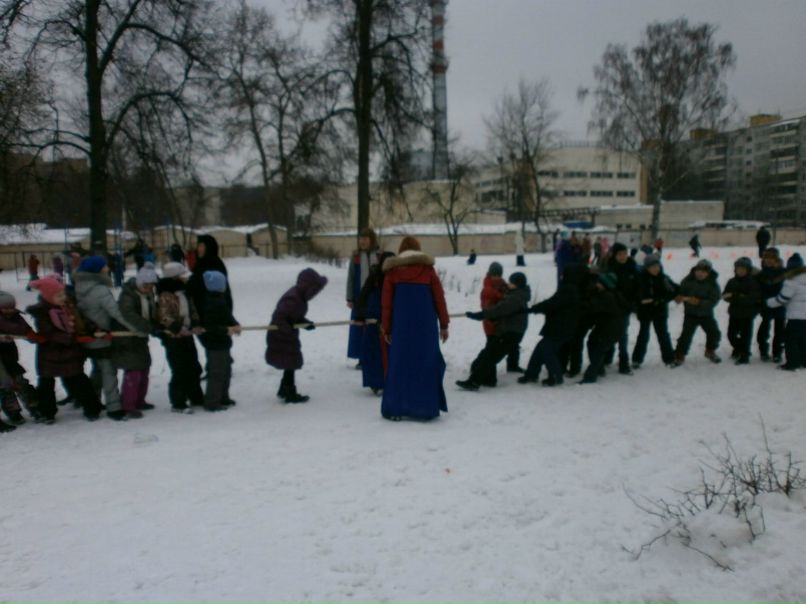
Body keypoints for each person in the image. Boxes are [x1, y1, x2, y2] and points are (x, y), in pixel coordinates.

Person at [380, 237, 449, 421]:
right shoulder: (428, 271)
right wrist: (444, 324)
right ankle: (425, 407)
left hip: (401, 327)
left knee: (399, 365)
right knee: (425, 364)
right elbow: (439, 299)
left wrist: (386, 328)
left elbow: (386, 305)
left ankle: (395, 408)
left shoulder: (392, 273)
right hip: (425, 327)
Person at [74, 255, 144, 421]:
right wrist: (137, 328)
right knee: (108, 371)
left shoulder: (79, 286)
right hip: (102, 336)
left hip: (88, 336)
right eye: (104, 266)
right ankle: (114, 407)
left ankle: (91, 402)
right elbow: (117, 313)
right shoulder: (99, 290)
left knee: (97, 370)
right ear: (97, 270)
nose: (108, 268)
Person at [27, 277, 103, 423]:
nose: (63, 297)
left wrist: (93, 329)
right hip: (50, 354)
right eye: (59, 295)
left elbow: (82, 320)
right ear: (48, 296)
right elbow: (48, 331)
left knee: (79, 380)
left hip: (71, 353)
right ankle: (47, 412)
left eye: (63, 294)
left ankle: (92, 408)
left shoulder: (69, 307)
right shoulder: (41, 312)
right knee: (46, 384)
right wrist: (72, 339)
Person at [457, 272, 530, 391]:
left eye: (511, 282)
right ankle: (487, 379)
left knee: (490, 356)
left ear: (517, 284)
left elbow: (499, 310)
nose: (508, 283)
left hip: (511, 333)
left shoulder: (515, 298)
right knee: (488, 353)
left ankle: (474, 382)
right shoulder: (517, 295)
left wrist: (480, 315)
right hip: (510, 331)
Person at [265, 268, 328, 403]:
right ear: (308, 286)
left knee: (290, 363)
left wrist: (305, 324)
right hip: (280, 336)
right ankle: (289, 392)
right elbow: (279, 317)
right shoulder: (294, 298)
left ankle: (284, 389)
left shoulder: (300, 296)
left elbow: (294, 317)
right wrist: (288, 331)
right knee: (290, 362)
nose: (315, 294)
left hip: (286, 335)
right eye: (314, 290)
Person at [519, 264, 584, 386]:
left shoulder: (568, 289)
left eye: (563, 274)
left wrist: (533, 309)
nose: (561, 276)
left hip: (560, 328)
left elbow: (551, 304)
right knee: (540, 349)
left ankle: (555, 376)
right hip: (561, 327)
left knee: (547, 350)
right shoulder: (572, 289)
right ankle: (531, 375)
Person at [155, 262, 205, 413]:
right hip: (173, 338)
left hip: (187, 335)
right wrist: (177, 328)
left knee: (194, 366)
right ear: (174, 277)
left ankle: (196, 396)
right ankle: (178, 402)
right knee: (180, 368)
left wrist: (195, 323)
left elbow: (192, 310)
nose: (185, 278)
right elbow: (164, 317)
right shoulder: (165, 295)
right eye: (182, 275)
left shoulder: (185, 292)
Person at [113, 263, 158, 418]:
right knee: (133, 371)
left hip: (140, 336)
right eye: (146, 285)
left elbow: (151, 312)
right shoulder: (127, 295)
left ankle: (139, 400)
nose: (149, 289)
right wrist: (149, 327)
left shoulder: (148, 295)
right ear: (139, 283)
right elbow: (129, 315)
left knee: (144, 367)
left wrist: (155, 324)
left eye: (151, 286)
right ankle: (128, 404)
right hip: (126, 337)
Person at [198, 271, 241, 411]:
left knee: (226, 370)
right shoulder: (210, 302)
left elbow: (227, 316)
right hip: (215, 343)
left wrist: (235, 324)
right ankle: (212, 402)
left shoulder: (220, 299)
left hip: (223, 342)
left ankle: (224, 397)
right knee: (217, 372)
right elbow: (210, 326)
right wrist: (225, 330)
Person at [355, 254, 394, 396]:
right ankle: (375, 382)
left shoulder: (396, 276)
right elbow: (363, 296)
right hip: (374, 320)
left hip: (389, 321)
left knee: (389, 353)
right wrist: (360, 315)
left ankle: (389, 380)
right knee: (373, 353)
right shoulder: (374, 277)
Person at [671, 259, 722, 367]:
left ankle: (710, 351)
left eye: (703, 272)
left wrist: (700, 302)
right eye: (698, 271)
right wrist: (678, 298)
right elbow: (680, 293)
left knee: (714, 333)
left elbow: (714, 300)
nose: (700, 273)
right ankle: (680, 355)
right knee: (686, 335)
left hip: (706, 314)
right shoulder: (687, 281)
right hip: (690, 314)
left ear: (708, 273)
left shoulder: (713, 284)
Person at [0, 291, 40, 425]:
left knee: (21, 381)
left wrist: (30, 334)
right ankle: (13, 412)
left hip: (10, 356)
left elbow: (24, 329)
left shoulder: (16, 316)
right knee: (6, 387)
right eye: (5, 308)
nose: (9, 311)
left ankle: (34, 406)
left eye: (11, 308)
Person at [631, 254, 678, 368]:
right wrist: (639, 302)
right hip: (645, 312)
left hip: (660, 311)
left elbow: (675, 290)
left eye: (657, 266)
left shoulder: (664, 278)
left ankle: (669, 358)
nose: (655, 269)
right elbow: (635, 295)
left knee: (663, 335)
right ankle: (637, 359)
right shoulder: (640, 278)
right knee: (643, 335)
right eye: (652, 267)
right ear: (646, 268)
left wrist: (662, 299)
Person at [580, 273, 628, 384]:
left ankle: (590, 377)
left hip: (610, 329)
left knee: (598, 350)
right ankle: (599, 369)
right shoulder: (612, 293)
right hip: (607, 327)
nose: (597, 284)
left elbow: (591, 306)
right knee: (591, 343)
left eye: (599, 283)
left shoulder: (606, 296)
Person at [345, 228, 381, 365]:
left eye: (366, 238)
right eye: (361, 238)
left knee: (373, 326)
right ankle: (361, 357)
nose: (363, 241)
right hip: (359, 297)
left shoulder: (379, 255)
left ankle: (373, 355)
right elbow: (351, 277)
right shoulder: (356, 256)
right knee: (359, 327)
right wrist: (349, 297)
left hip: (375, 297)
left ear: (372, 240)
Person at [606, 242, 640, 375]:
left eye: (625, 253)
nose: (623, 256)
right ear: (614, 255)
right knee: (609, 333)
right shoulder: (610, 268)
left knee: (623, 335)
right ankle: (607, 358)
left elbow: (638, 287)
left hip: (625, 307)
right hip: (612, 306)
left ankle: (623, 362)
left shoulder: (632, 267)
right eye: (619, 254)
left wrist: (633, 303)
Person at [768, 255, 806, 370]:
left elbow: (782, 299)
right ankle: (803, 361)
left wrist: (768, 302)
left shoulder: (792, 281)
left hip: (796, 317)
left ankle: (792, 363)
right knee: (803, 339)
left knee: (791, 340)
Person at [722, 257, 761, 365]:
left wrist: (737, 297)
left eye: (743, 269)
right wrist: (730, 297)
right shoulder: (731, 281)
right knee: (731, 335)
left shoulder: (753, 282)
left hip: (747, 314)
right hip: (734, 313)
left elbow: (752, 298)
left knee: (745, 336)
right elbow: (725, 295)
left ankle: (744, 355)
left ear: (748, 270)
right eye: (739, 268)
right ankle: (739, 349)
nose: (741, 271)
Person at [187, 234, 232, 325]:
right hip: (202, 314)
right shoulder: (201, 263)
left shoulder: (214, 264)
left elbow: (200, 285)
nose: (198, 249)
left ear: (209, 247)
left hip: (212, 314)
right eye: (198, 246)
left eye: (201, 246)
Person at [756, 248, 787, 363]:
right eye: (766, 258)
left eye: (771, 258)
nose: (768, 261)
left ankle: (777, 353)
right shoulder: (761, 274)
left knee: (780, 331)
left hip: (780, 305)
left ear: (776, 259)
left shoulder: (784, 272)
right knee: (764, 330)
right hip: (766, 306)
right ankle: (763, 351)